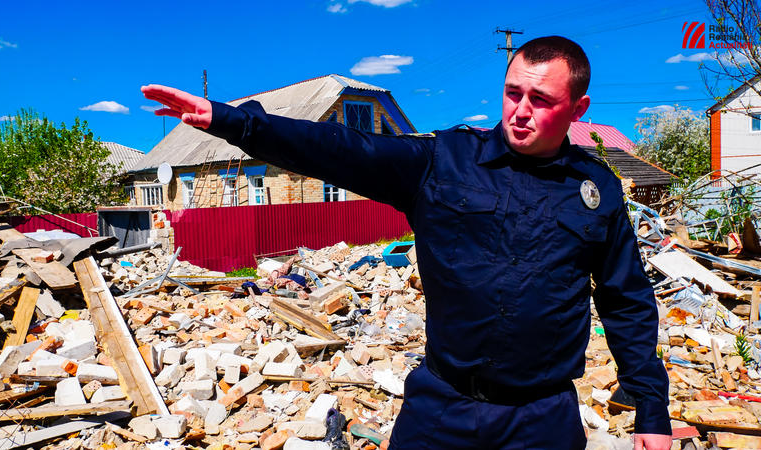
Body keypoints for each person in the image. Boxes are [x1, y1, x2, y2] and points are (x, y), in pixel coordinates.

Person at [142, 36, 672, 450]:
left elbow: (624, 298)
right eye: (513, 92)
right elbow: (341, 149)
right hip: (442, 407)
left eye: (541, 99)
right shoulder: (443, 162)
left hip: (543, 418)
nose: (520, 111)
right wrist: (230, 121)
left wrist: (651, 410)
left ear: (578, 108)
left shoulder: (595, 191)